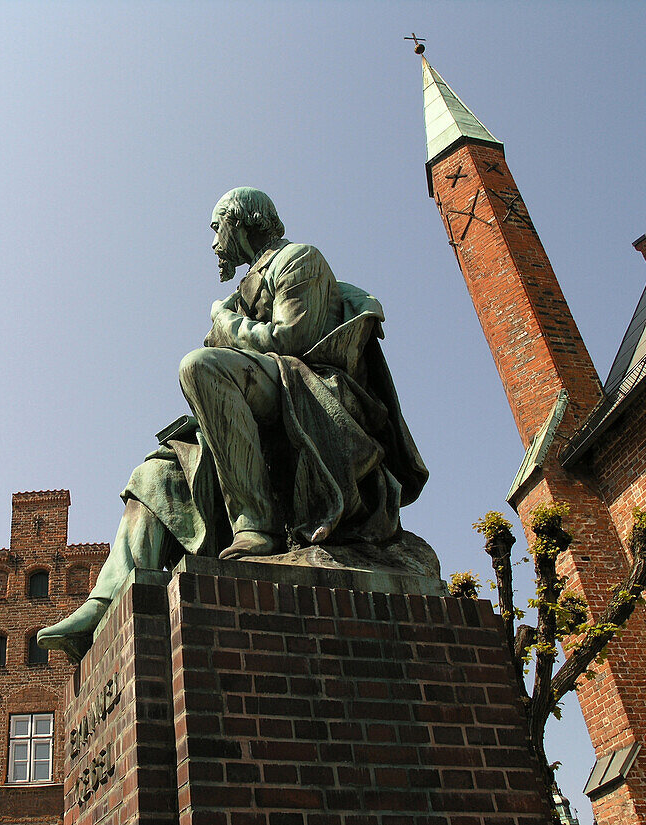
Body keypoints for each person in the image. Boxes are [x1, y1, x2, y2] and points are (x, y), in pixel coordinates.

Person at [38, 188, 427, 660]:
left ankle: (255, 526)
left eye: (216, 228)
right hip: (267, 395)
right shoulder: (242, 292)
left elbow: (293, 339)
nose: (214, 243)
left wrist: (225, 326)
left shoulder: (299, 260)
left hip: (309, 388)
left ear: (242, 223)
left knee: (199, 365)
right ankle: (106, 602)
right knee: (156, 473)